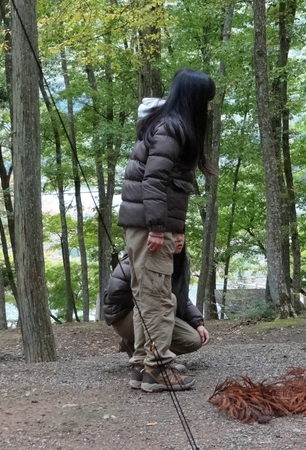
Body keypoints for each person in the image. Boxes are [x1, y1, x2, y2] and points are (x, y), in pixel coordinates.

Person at [117, 68, 216, 392]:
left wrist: (176, 228)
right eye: (206, 101)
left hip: (146, 225)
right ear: (193, 99)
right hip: (149, 227)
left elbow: (174, 186)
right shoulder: (171, 130)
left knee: (147, 296)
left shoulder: (168, 127)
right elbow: (154, 181)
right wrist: (159, 228)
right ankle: (159, 367)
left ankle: (142, 365)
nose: (209, 108)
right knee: (159, 298)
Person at [104, 233, 210, 389]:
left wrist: (197, 322)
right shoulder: (141, 257)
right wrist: (147, 300)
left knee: (193, 340)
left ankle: (137, 349)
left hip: (153, 315)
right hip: (126, 318)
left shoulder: (180, 261)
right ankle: (153, 365)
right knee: (166, 299)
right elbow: (113, 293)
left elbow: (182, 297)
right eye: (173, 235)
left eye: (181, 234)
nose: (179, 239)